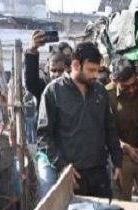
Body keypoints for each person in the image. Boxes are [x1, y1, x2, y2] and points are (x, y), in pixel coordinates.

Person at [37, 42, 122, 198]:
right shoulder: (53, 92)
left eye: (97, 70)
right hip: (73, 176)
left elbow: (110, 128)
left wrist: (117, 162)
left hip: (99, 174)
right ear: (76, 65)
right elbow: (44, 136)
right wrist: (62, 166)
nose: (95, 75)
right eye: (91, 70)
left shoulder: (100, 91)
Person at [106, 57, 138, 202]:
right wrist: (125, 147)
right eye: (125, 87)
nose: (132, 89)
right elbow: (106, 132)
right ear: (114, 81)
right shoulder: (107, 95)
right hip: (121, 160)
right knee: (122, 205)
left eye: (134, 84)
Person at [25, 31, 71, 105]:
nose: (57, 74)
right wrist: (32, 50)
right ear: (48, 70)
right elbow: (31, 82)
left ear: (68, 69)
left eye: (61, 71)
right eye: (53, 70)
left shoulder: (76, 89)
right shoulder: (43, 89)